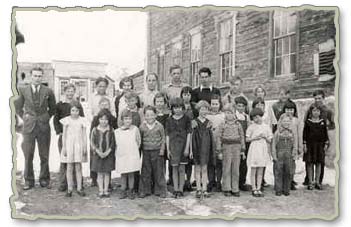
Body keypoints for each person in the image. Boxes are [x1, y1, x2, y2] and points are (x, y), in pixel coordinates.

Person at [15, 67, 56, 190]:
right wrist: (26, 117)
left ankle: (44, 179)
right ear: (30, 76)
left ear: (42, 77)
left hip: (43, 126)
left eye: (39, 76)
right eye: (35, 76)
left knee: (44, 155)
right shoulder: (23, 90)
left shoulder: (48, 91)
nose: (37, 78)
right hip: (28, 127)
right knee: (28, 154)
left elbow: (53, 108)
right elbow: (17, 107)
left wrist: (46, 117)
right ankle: (28, 180)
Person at [53, 83, 84, 192]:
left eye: (72, 91)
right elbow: (55, 120)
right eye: (68, 91)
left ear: (74, 92)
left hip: (76, 137)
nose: (70, 93)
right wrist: (59, 132)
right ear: (64, 92)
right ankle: (63, 183)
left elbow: (82, 119)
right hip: (64, 136)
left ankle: (77, 183)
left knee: (76, 161)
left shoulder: (78, 104)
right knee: (64, 160)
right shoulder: (60, 105)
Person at [303, 89, 335, 186]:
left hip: (322, 138)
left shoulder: (328, 111)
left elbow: (332, 125)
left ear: (323, 98)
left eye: (319, 98)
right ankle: (309, 180)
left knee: (320, 160)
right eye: (315, 98)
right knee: (309, 160)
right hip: (311, 139)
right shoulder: (310, 109)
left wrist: (327, 137)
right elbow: (306, 122)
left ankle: (318, 181)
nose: (317, 100)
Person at [60, 101, 88, 197]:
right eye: (73, 110)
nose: (75, 112)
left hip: (78, 145)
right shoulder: (66, 120)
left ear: (79, 111)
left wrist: (84, 146)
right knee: (69, 167)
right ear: (70, 111)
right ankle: (69, 189)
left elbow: (84, 135)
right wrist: (64, 147)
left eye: (76, 110)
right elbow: (64, 135)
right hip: (69, 145)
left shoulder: (82, 120)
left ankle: (79, 188)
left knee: (78, 167)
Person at [217, 104, 246, 197]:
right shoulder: (222, 124)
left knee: (235, 169)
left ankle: (235, 188)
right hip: (226, 147)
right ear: (225, 114)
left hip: (236, 148)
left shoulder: (238, 124)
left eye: (231, 113)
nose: (229, 115)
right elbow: (218, 137)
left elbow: (242, 137)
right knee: (226, 168)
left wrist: (242, 149)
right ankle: (226, 188)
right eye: (227, 113)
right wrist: (219, 151)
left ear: (235, 114)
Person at [165, 98, 192, 198]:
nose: (178, 110)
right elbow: (167, 135)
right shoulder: (169, 120)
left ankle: (181, 189)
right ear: (172, 108)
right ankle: (175, 189)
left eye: (180, 107)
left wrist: (187, 148)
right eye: (175, 108)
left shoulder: (186, 119)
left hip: (183, 146)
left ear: (183, 108)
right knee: (174, 168)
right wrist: (168, 149)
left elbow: (189, 133)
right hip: (173, 147)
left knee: (182, 168)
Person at [139, 106, 167, 198]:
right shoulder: (142, 126)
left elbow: (163, 139)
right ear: (144, 116)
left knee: (159, 171)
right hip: (146, 151)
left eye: (152, 115)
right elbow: (140, 140)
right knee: (146, 171)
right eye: (147, 115)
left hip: (157, 151)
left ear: (155, 115)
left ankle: (160, 190)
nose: (149, 117)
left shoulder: (159, 126)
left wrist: (162, 150)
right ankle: (145, 190)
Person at [89, 97, 117, 187]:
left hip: (109, 146)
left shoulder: (112, 118)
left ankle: (107, 184)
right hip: (98, 146)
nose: (104, 106)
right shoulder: (96, 118)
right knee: (97, 165)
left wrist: (111, 148)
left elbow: (115, 132)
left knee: (107, 167)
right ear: (99, 106)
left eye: (106, 104)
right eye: (102, 104)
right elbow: (92, 133)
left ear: (109, 106)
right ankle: (95, 181)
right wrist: (95, 148)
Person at [115, 109, 142, 200]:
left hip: (132, 154)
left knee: (131, 173)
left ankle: (131, 190)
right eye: (126, 119)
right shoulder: (117, 131)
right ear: (122, 120)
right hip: (122, 155)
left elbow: (138, 142)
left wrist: (133, 151)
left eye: (129, 119)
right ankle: (123, 190)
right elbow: (116, 143)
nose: (128, 121)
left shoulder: (135, 129)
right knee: (123, 173)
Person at [246, 108, 273, 197]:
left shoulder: (266, 126)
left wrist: (265, 137)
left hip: (262, 149)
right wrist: (255, 138)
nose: (256, 119)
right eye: (254, 118)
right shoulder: (251, 127)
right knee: (253, 169)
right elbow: (247, 139)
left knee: (260, 170)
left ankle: (258, 188)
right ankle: (253, 188)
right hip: (254, 148)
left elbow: (270, 140)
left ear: (261, 116)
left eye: (258, 117)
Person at [192, 101, 216, 198]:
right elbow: (192, 137)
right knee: (197, 168)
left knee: (205, 168)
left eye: (205, 109)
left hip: (206, 148)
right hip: (197, 147)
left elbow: (211, 138)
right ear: (198, 110)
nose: (203, 111)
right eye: (202, 109)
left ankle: (204, 189)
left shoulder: (209, 123)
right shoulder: (194, 122)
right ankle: (198, 189)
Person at [303, 104, 329, 190]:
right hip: (310, 146)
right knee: (310, 163)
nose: (316, 112)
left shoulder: (323, 122)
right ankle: (311, 182)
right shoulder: (308, 122)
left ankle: (317, 182)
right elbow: (305, 135)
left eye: (318, 111)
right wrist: (304, 144)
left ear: (320, 112)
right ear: (311, 112)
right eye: (314, 111)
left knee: (319, 163)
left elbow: (325, 134)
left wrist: (325, 144)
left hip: (320, 146)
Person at [272, 114, 297, 196]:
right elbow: (273, 145)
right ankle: (278, 189)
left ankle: (286, 189)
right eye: (284, 121)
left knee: (288, 172)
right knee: (278, 171)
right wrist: (274, 155)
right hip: (279, 153)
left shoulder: (292, 132)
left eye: (288, 121)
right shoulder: (277, 132)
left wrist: (294, 152)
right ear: (281, 121)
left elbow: (295, 143)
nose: (286, 123)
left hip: (289, 154)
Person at [281, 101, 302, 190]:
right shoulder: (282, 119)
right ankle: (284, 181)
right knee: (284, 164)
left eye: (291, 109)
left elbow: (299, 134)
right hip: (284, 145)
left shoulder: (296, 121)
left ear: (294, 110)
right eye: (287, 109)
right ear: (284, 110)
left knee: (292, 164)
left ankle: (291, 180)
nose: (289, 111)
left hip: (294, 145)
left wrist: (299, 147)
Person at [206, 94, 225, 192]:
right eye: (212, 104)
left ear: (219, 104)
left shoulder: (223, 116)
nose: (214, 106)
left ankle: (219, 182)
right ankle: (211, 181)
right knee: (210, 163)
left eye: (216, 104)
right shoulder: (207, 115)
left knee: (219, 163)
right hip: (209, 142)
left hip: (219, 142)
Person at [180, 86, 198, 191]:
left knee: (190, 160)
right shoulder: (179, 107)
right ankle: (181, 181)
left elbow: (196, 120)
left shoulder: (194, 107)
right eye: (184, 94)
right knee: (182, 159)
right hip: (181, 135)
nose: (186, 97)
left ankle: (188, 182)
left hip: (192, 134)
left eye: (188, 94)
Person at [234, 96, 251, 191]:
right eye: (239, 106)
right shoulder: (233, 116)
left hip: (244, 142)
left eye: (242, 106)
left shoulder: (246, 117)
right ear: (236, 106)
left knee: (244, 164)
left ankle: (242, 182)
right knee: (236, 163)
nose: (240, 108)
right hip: (235, 142)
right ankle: (234, 183)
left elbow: (248, 129)